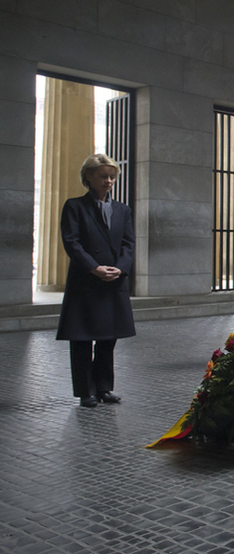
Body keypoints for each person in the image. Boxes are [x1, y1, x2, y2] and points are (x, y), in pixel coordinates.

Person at [56, 154, 136, 408]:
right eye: (103, 176)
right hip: (85, 281)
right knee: (82, 339)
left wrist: (120, 270)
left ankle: (103, 388)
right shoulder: (74, 206)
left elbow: (128, 244)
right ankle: (85, 391)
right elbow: (72, 243)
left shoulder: (123, 210)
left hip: (112, 282)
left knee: (107, 338)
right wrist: (95, 268)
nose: (109, 181)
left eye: (112, 176)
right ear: (88, 177)